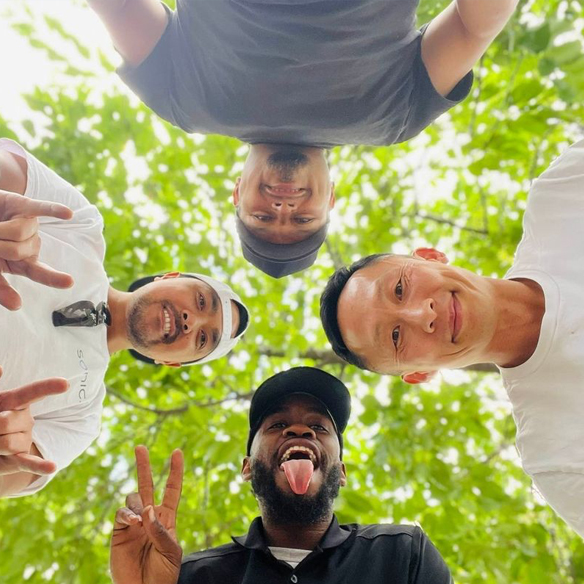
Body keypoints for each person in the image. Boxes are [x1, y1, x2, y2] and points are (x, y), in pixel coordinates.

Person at [88, 0, 519, 277]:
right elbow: (471, 27)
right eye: (301, 220)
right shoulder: (393, 120)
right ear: (331, 200)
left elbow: (120, 7)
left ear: (236, 193)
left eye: (261, 218)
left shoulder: (186, 106)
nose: (282, 207)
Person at [320, 140, 584, 538]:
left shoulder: (563, 197)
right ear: (419, 374)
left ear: (429, 255)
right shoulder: (556, 455)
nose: (420, 314)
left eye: (399, 289)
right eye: (395, 337)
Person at [0, 138, 250, 498]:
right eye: (200, 301)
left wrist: (7, 447)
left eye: (202, 339)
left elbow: (13, 475)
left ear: (169, 362)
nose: (190, 321)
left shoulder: (80, 418)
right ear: (169, 276)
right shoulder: (80, 226)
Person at [110, 366, 453, 583]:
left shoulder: (402, 555)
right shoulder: (191, 576)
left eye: (319, 425)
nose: (300, 429)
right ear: (247, 468)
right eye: (277, 425)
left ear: (342, 472)